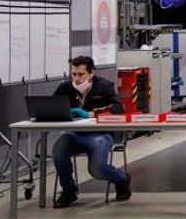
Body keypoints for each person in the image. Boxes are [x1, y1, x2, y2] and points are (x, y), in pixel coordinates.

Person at [51, 56, 132, 208]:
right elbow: (51, 106)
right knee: (59, 151)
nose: (76, 79)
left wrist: (91, 114)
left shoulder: (104, 86)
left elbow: (118, 108)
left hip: (100, 134)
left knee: (96, 169)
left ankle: (122, 179)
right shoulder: (65, 88)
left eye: (81, 74)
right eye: (74, 74)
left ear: (91, 73)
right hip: (74, 134)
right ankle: (69, 191)